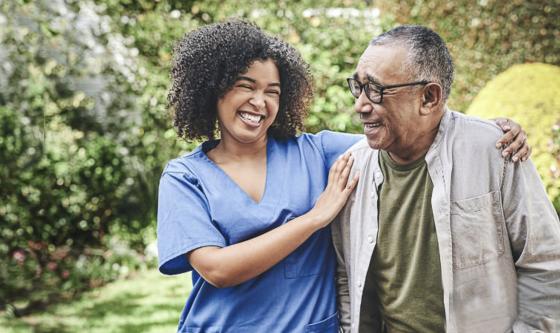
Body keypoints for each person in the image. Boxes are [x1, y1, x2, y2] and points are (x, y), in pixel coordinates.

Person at [157, 21, 531, 333]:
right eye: (246, 86)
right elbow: (217, 269)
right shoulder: (185, 177)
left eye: (272, 91)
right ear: (213, 89)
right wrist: (315, 218)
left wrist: (489, 129)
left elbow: (406, 127)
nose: (261, 102)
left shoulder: (318, 152)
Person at [332, 25, 560, 333]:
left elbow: (546, 264)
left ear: (429, 97)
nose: (360, 104)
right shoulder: (352, 167)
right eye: (357, 87)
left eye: (376, 90)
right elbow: (348, 274)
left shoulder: (495, 151)